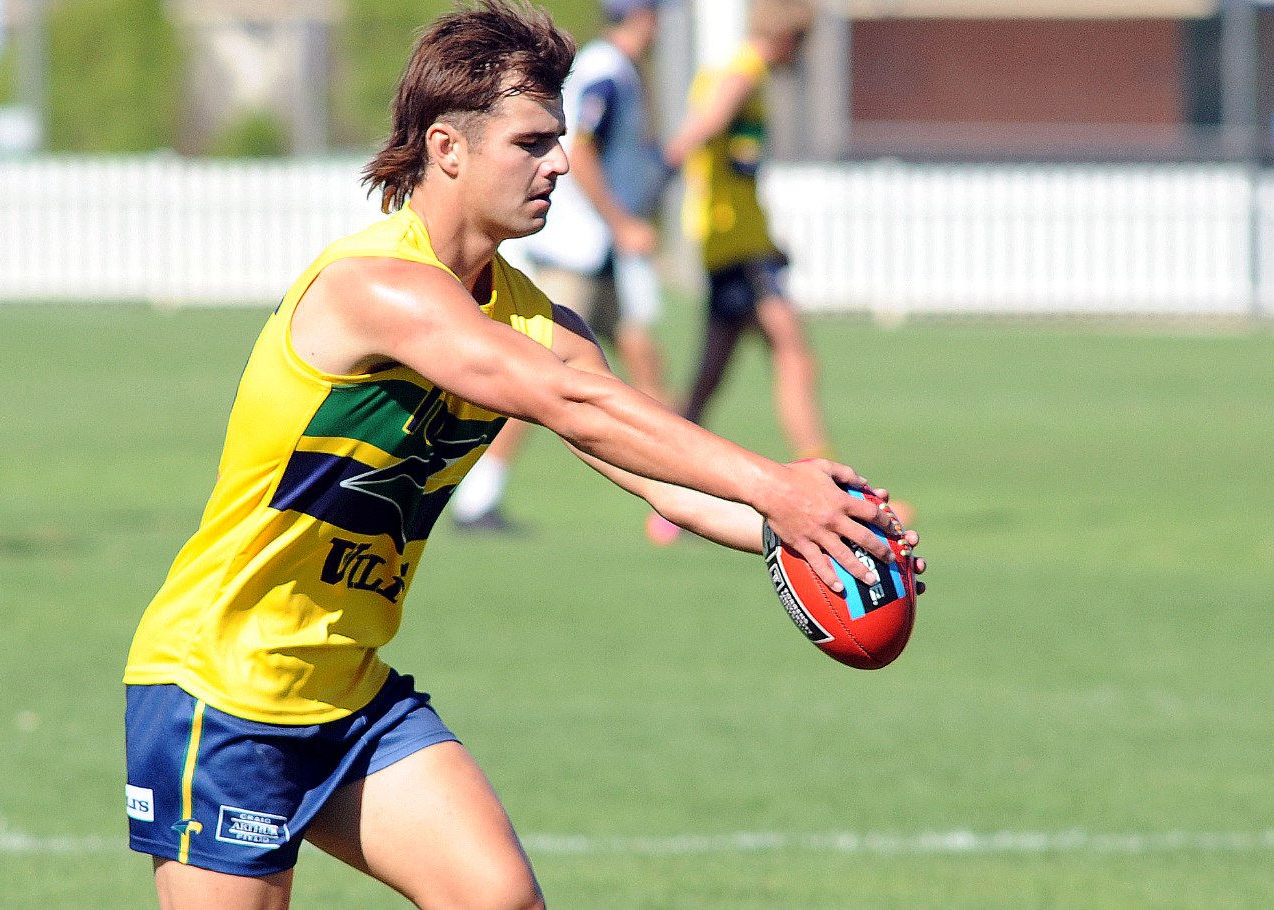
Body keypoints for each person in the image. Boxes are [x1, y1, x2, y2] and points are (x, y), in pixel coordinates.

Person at [123, 3, 923, 908]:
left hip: (348, 690)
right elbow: (566, 399)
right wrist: (780, 485)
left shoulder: (537, 319)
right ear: (448, 148)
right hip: (220, 685)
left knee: (499, 899)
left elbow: (660, 476)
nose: (561, 163)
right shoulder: (375, 286)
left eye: (561, 138)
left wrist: (831, 534)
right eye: (533, 141)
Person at [452, 0, 672, 532]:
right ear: (643, 18)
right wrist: (620, 220)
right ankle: (477, 499)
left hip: (601, 252)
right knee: (536, 379)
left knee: (646, 361)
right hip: (578, 247)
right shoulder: (605, 70)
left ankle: (677, 497)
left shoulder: (615, 70)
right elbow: (584, 151)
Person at [664, 0, 828, 467]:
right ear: (787, 36)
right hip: (737, 247)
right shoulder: (744, 72)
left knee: (708, 380)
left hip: (736, 245)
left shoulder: (735, 70)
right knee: (795, 356)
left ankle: (670, 497)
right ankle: (827, 473)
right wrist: (667, 164)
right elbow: (709, 120)